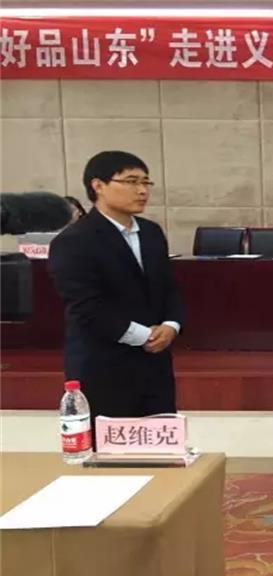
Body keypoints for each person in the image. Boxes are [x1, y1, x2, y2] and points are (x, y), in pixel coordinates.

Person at [48, 151, 183, 422]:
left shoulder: (151, 232)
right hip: (102, 364)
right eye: (131, 181)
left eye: (146, 182)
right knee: (109, 444)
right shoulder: (74, 240)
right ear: (98, 185)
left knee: (158, 438)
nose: (142, 190)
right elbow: (86, 306)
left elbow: (169, 287)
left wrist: (171, 325)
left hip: (155, 365)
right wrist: (144, 336)